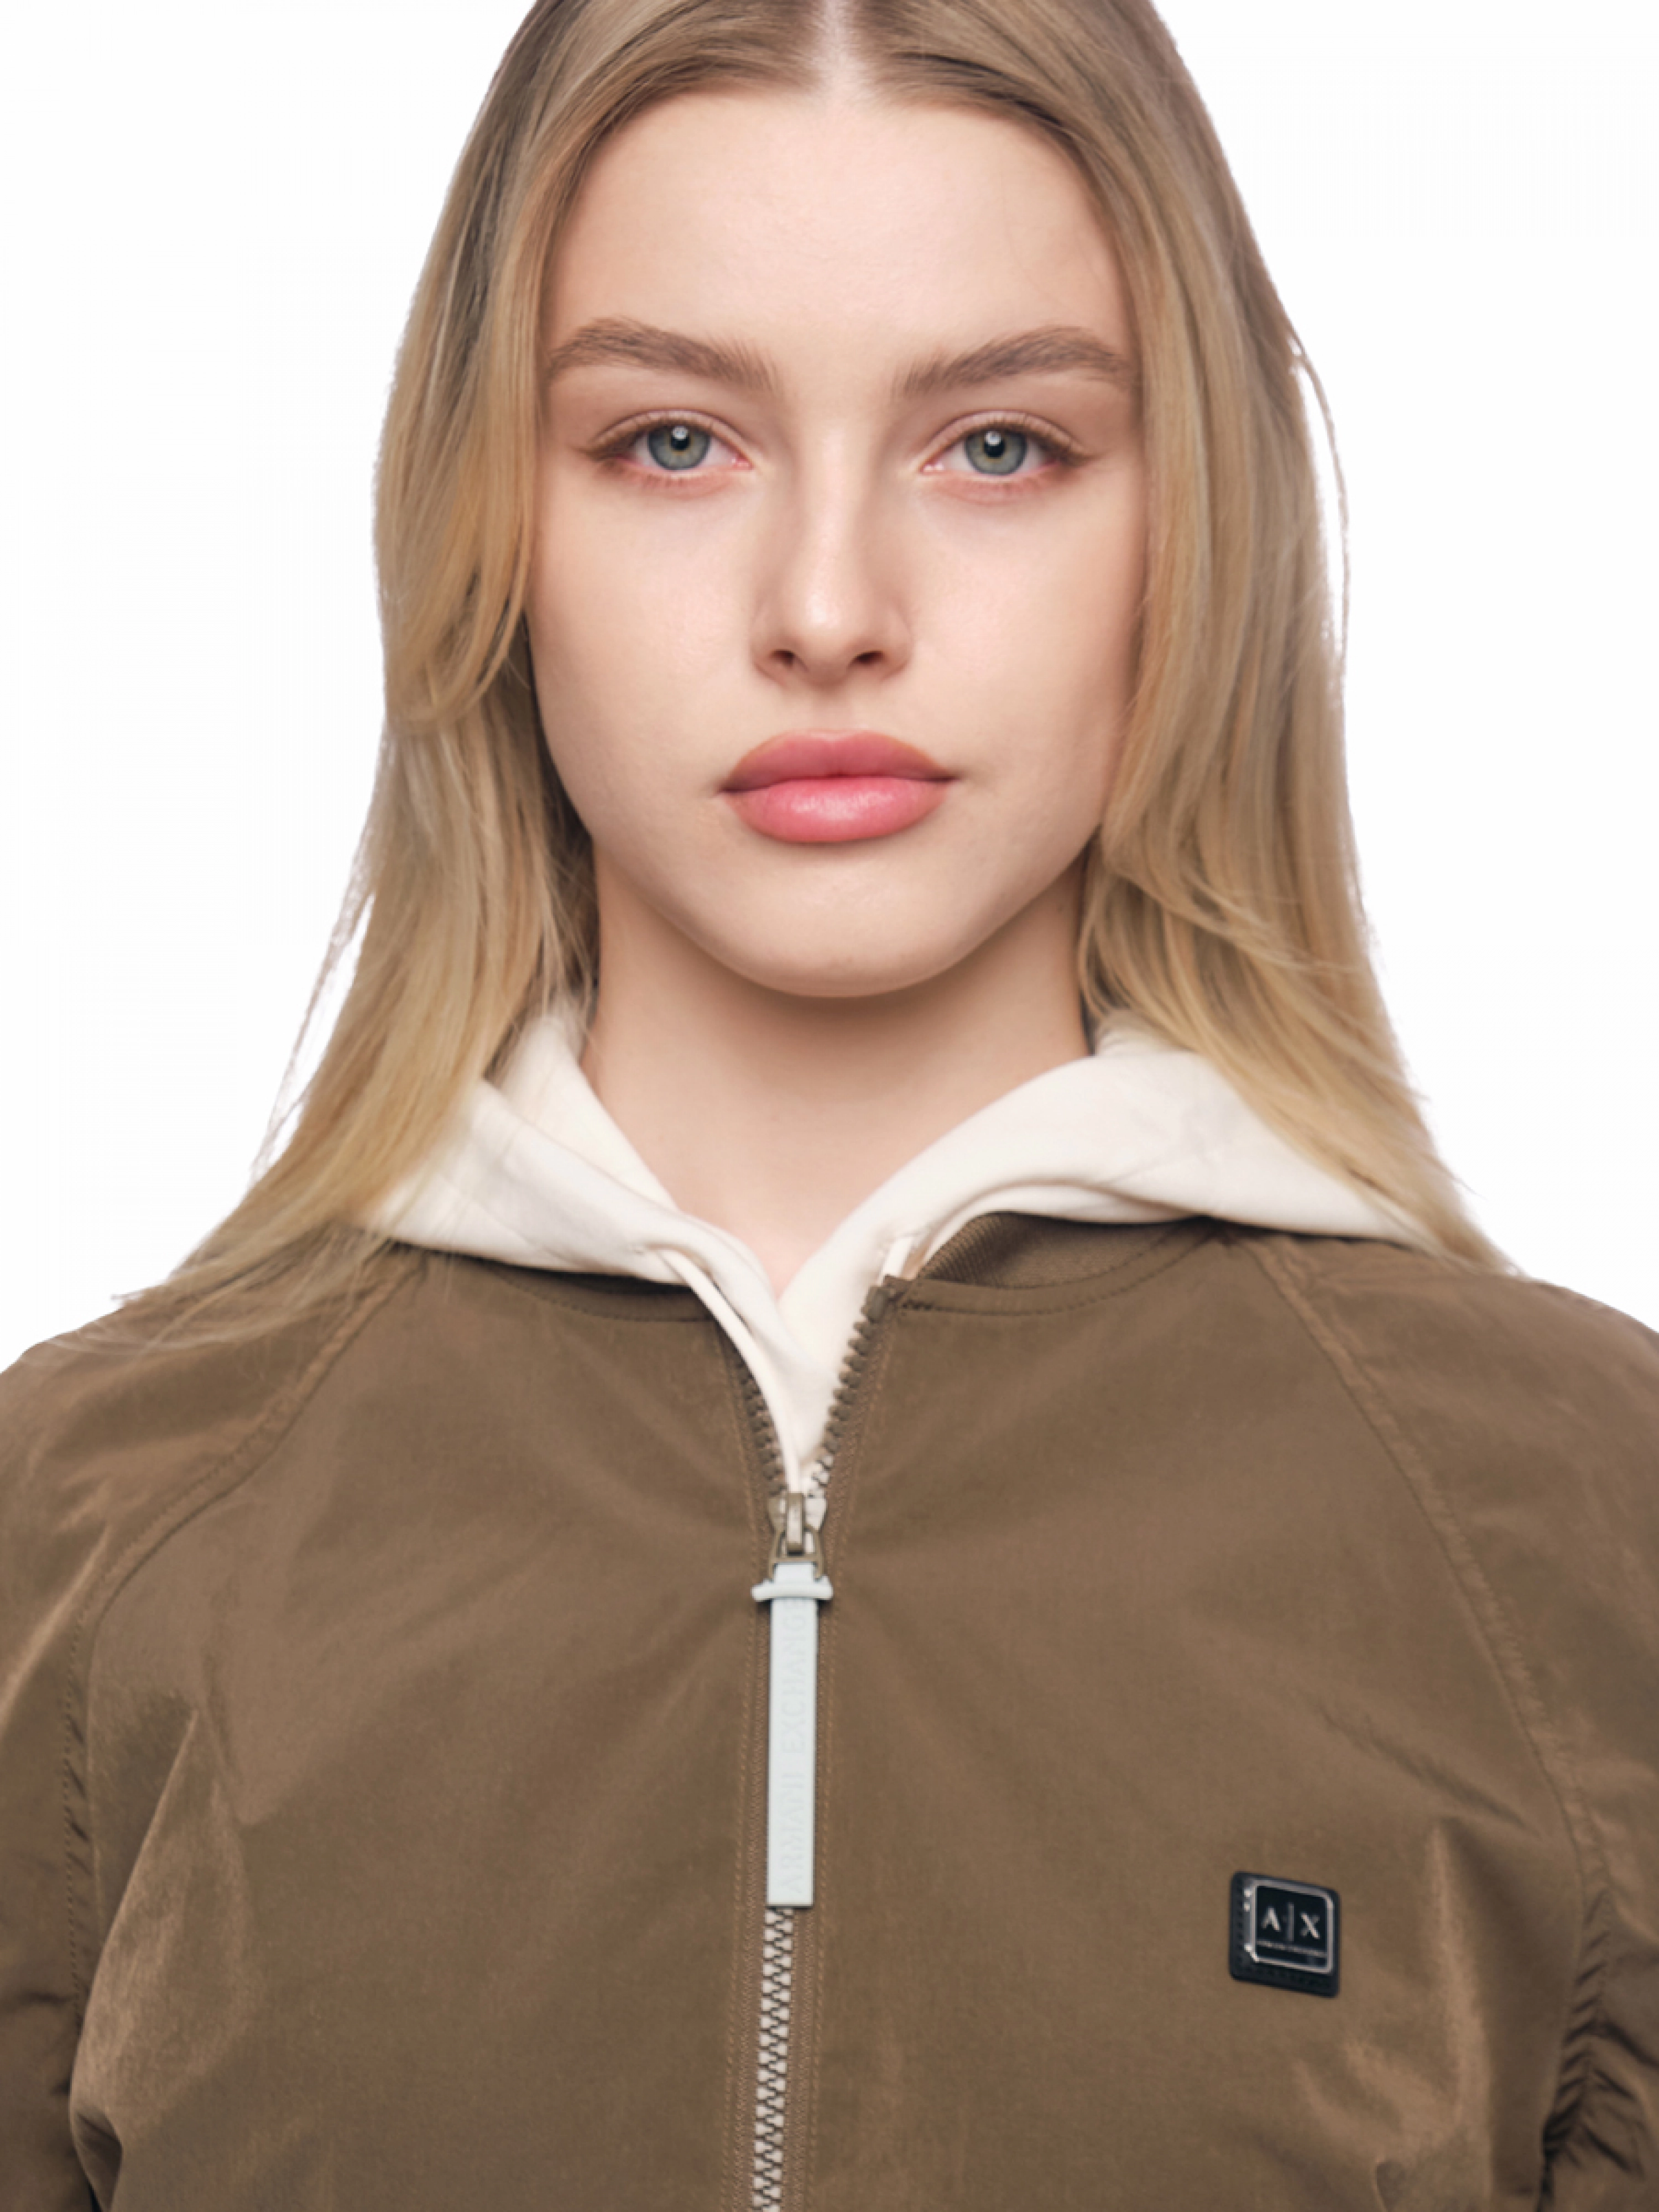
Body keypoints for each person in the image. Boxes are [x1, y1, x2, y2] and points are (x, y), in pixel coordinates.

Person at [2, 0, 1655, 2203]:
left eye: (1003, 447)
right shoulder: (82, 1519)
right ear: (488, 523)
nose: (828, 610)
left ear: (1197, 527)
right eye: (675, 440)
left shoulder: (1582, 1522)